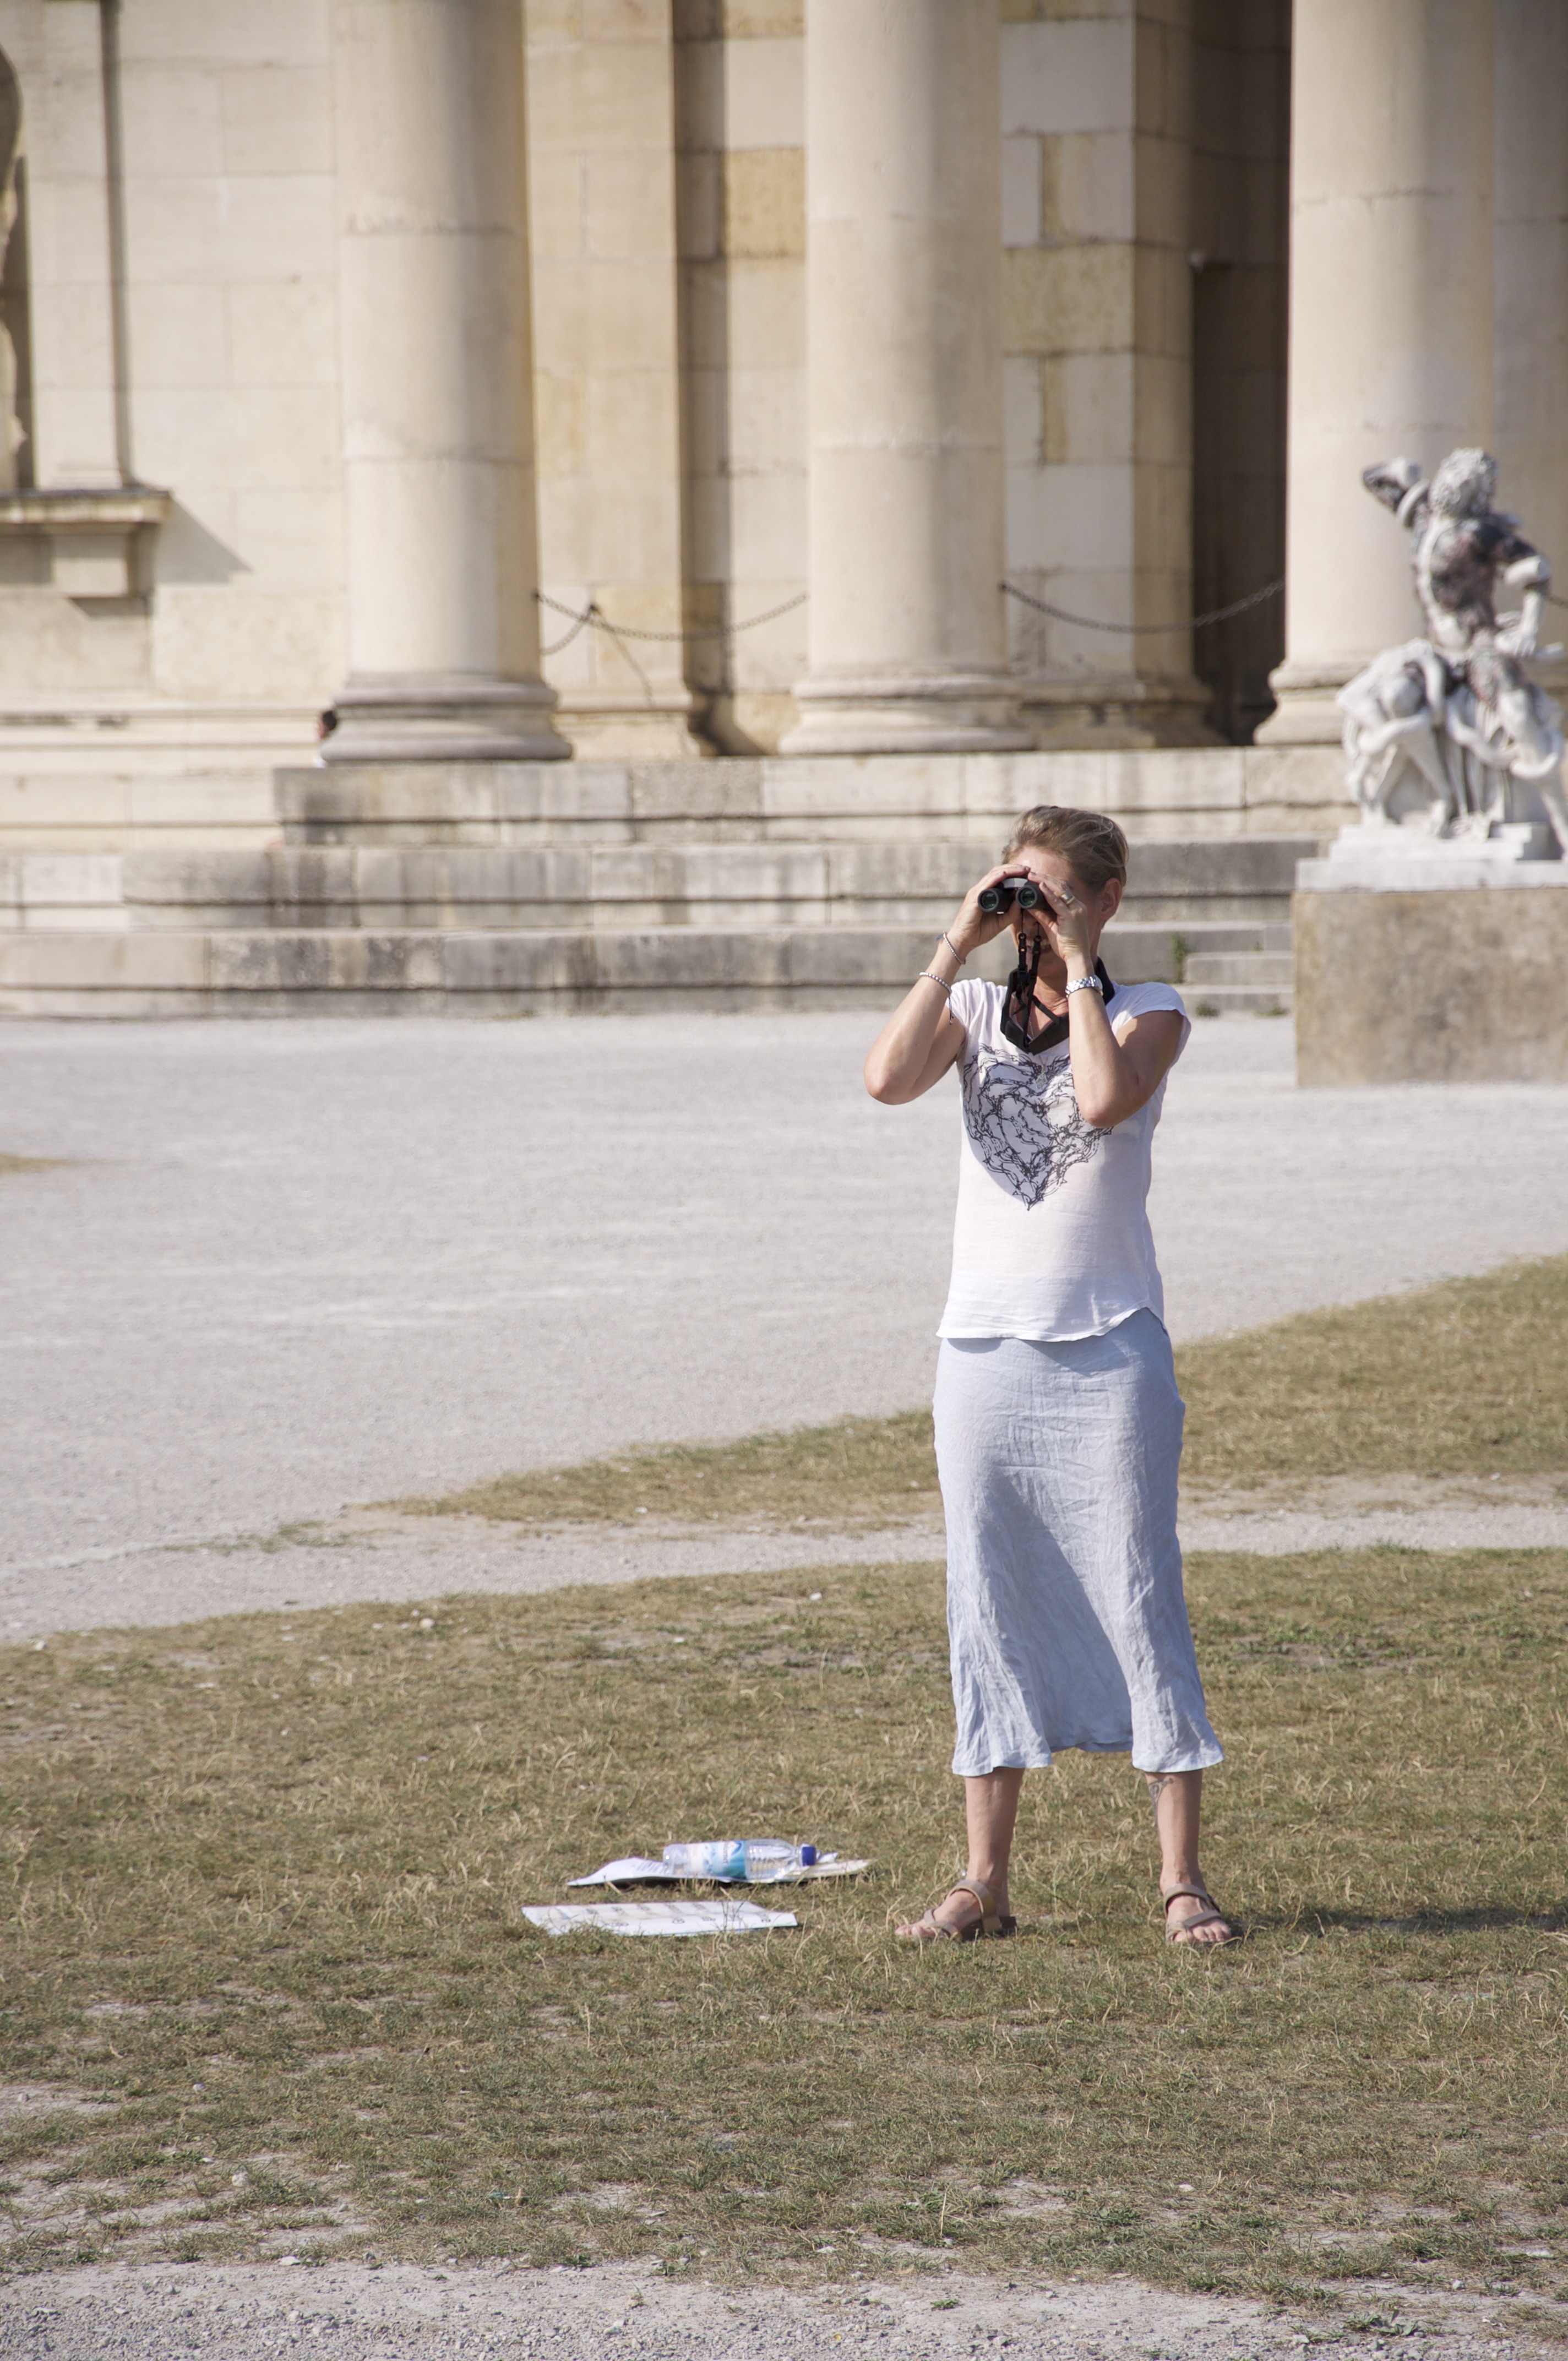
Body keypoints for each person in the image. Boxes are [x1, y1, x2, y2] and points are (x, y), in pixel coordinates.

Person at [863, 804, 1237, 1949]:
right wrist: (957, 940)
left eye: (1052, 893)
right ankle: (983, 1882)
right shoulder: (974, 1010)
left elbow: (1102, 1100)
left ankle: (1181, 1881)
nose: (1028, 911)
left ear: (1107, 899)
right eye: (1016, 888)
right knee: (985, 1604)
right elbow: (884, 1079)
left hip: (1109, 1345)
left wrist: (1077, 963)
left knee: (1138, 1592)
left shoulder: (1148, 1008)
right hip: (981, 1348)